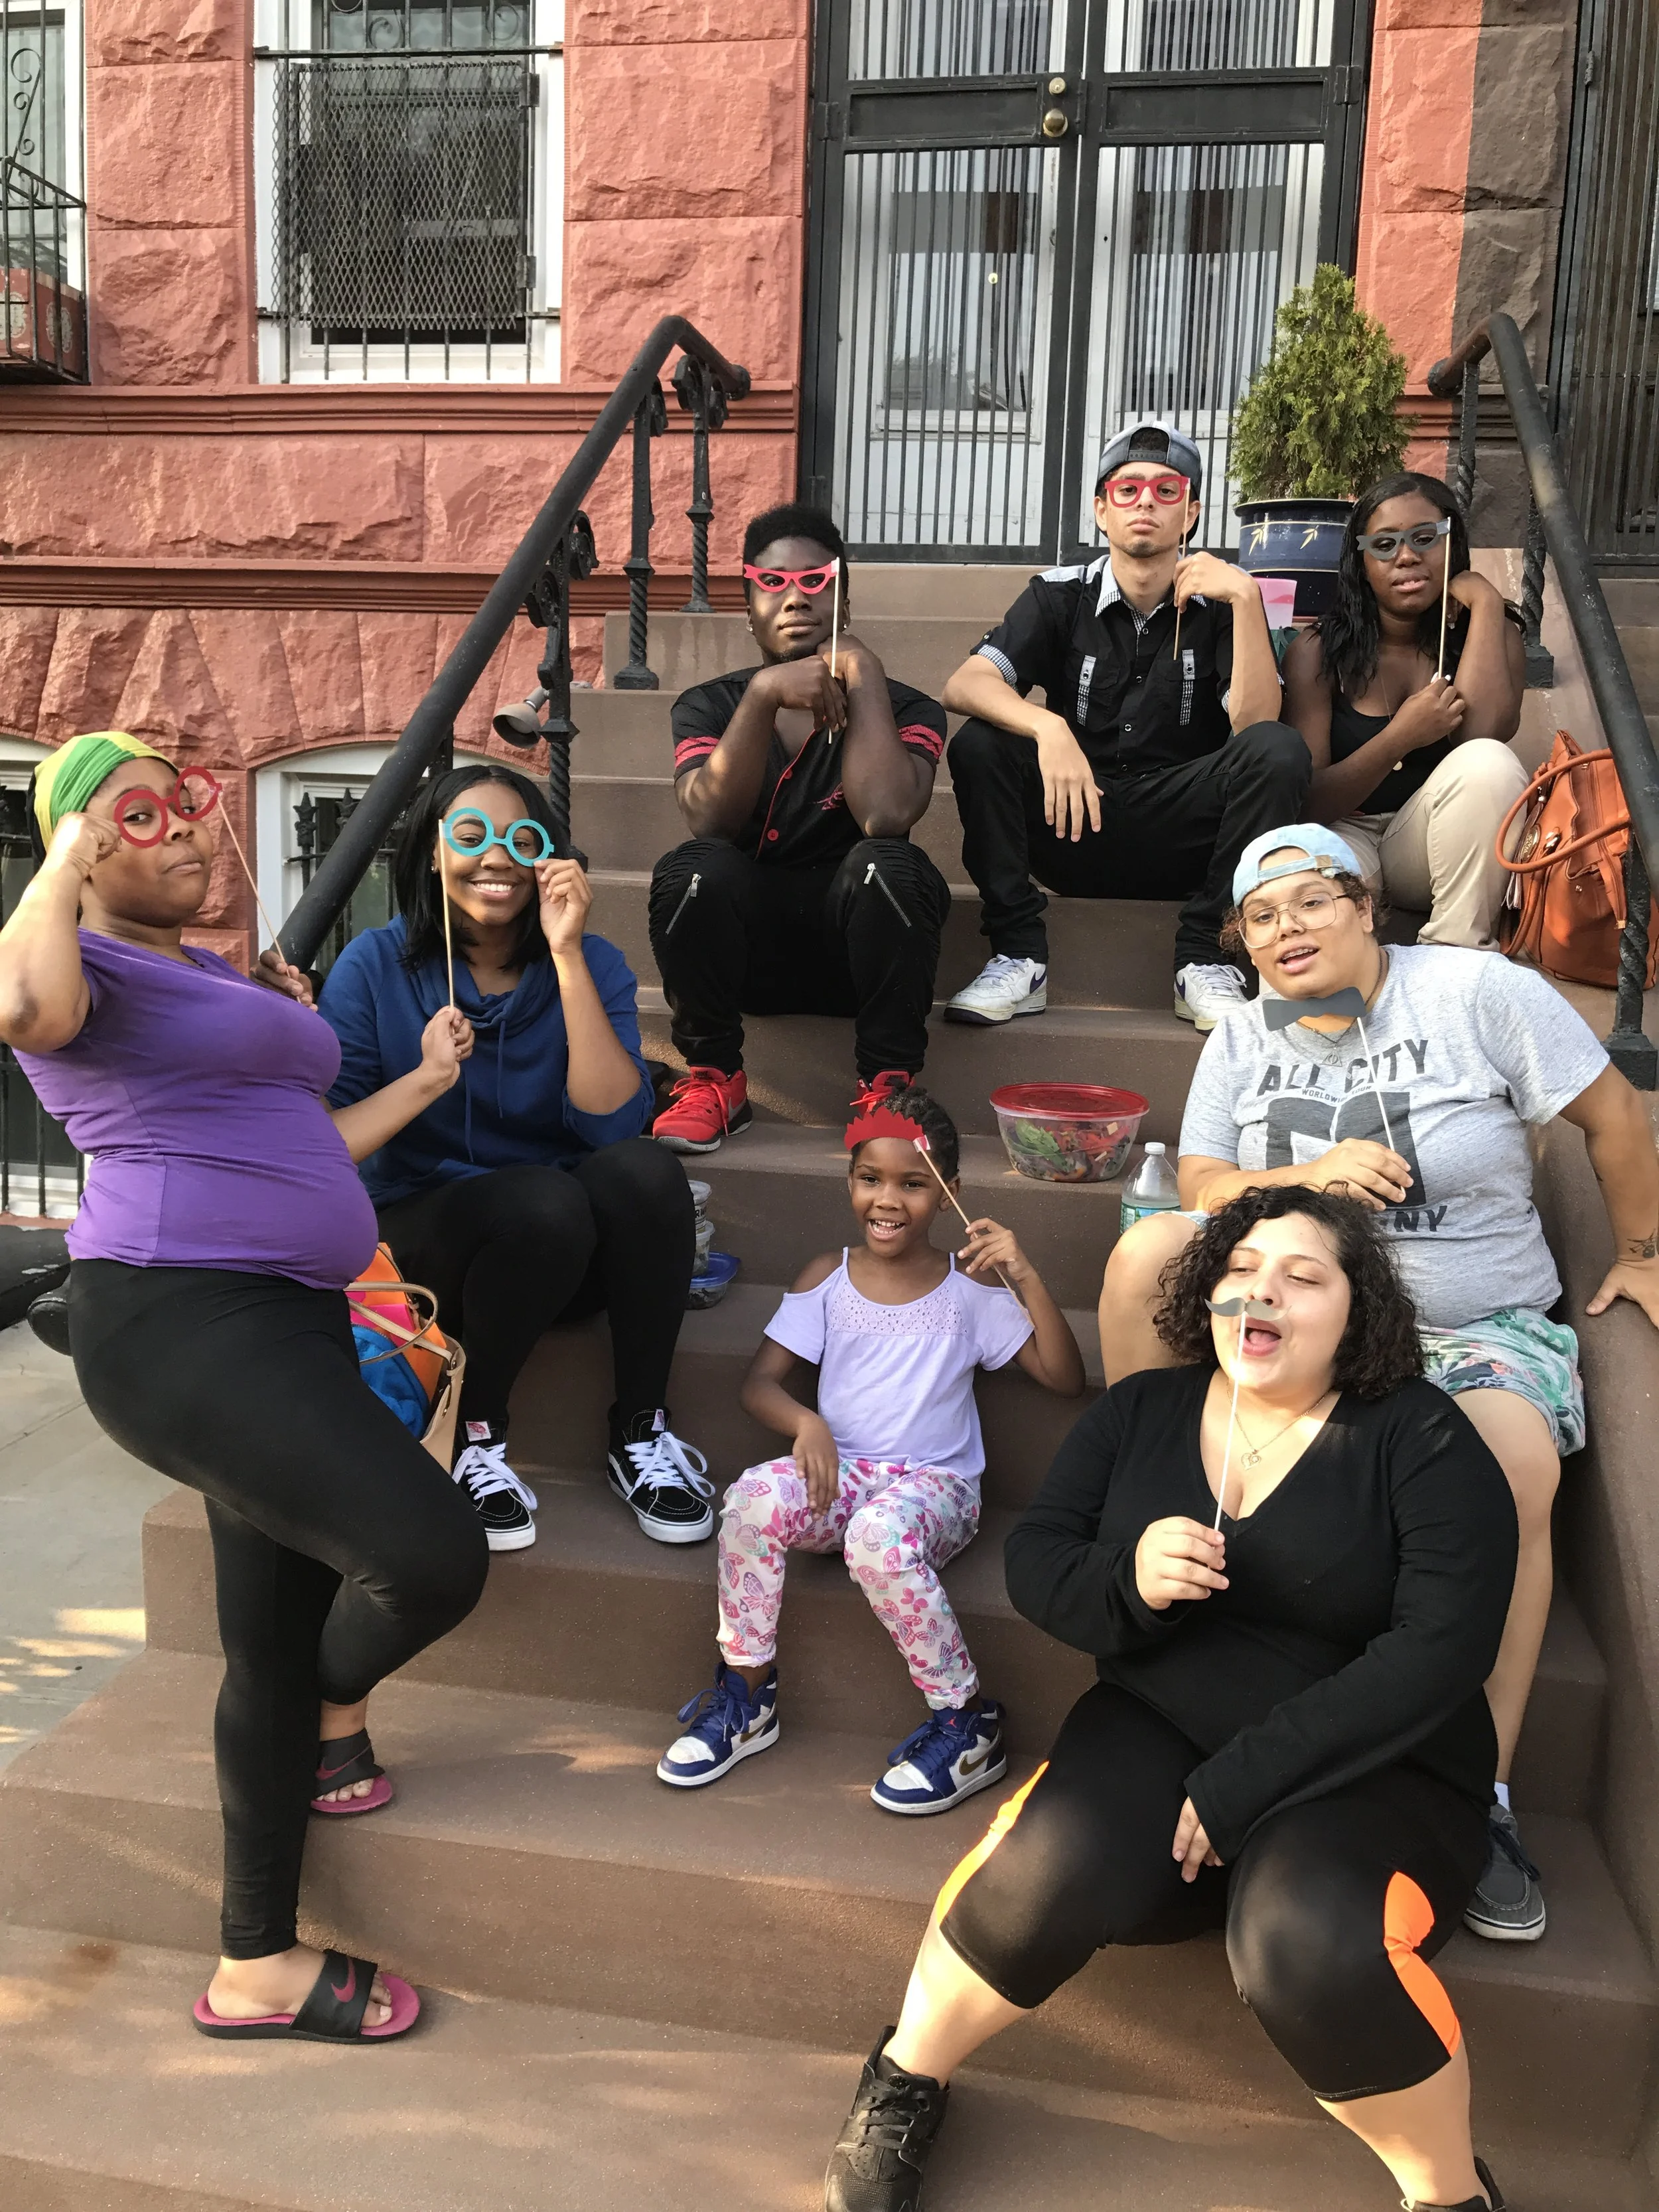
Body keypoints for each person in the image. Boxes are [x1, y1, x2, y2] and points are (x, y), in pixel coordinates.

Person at [824, 1189, 1519, 2212]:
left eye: (1302, 1274)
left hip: (1381, 1769)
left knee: (1304, 1944)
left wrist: (1246, 1781)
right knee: (1044, 1867)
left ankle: (1451, 2195)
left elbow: (1443, 1649)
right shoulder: (1141, 1412)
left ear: (1357, 1310)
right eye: (1239, 1269)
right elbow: (1037, 1560)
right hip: (1159, 1731)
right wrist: (1128, 1581)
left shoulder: (1422, 1440)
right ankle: (904, 2077)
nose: (1260, 1289)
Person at [1, 731, 490, 2043]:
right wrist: (62, 847)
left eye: (190, 806)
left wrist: (423, 1080)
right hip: (176, 1321)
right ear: (88, 851)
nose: (186, 832)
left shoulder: (187, 968)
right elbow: (27, 1014)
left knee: (266, 1642)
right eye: (141, 818)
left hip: (288, 1315)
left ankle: (254, 1961)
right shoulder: (79, 960)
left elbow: (304, 1142)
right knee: (432, 1554)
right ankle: (339, 1708)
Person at [1097, 825, 1659, 1943]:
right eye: (1261, 916)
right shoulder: (1244, 1034)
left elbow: (1610, 1115)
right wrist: (1303, 1176)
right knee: (1146, 1250)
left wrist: (1640, 1247)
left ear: (1366, 907)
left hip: (1470, 1323)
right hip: (1302, 1326)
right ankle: (1161, 1537)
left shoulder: (1477, 992)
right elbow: (1204, 1177)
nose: (1287, 930)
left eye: (1311, 902)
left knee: (1511, 1462)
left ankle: (1479, 1790)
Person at [309, 763, 707, 1552]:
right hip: (429, 1249)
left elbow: (611, 1129)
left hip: (551, 1254)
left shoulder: (593, 966)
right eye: (469, 835)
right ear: (430, 852)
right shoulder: (374, 965)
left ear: (547, 861)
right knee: (538, 1200)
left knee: (648, 1174)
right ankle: (474, 1437)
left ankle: (640, 1432)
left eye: (519, 839)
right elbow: (329, 1143)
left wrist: (564, 955)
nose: (495, 856)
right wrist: (426, 1080)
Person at [658, 1086, 1084, 1812]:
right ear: (850, 1180)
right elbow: (760, 1383)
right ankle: (747, 1693)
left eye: (913, 1184)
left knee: (876, 1538)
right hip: (841, 1473)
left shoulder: (970, 1292)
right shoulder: (827, 1277)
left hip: (935, 1487)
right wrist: (805, 1424)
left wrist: (1024, 1276)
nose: (887, 1200)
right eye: (870, 1179)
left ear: (947, 1191)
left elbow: (1064, 1378)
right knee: (752, 1500)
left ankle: (966, 1718)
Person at [938, 420, 1305, 1033]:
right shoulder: (1058, 597)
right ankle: (1019, 953)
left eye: (1166, 492)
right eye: (1128, 490)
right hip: (1073, 823)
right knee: (981, 743)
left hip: (1183, 837)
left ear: (1190, 512)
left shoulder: (1224, 604)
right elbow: (964, 685)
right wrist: (1048, 729)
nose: (1145, 505)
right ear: (1101, 510)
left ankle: (1207, 960)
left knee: (1278, 751)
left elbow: (1256, 722)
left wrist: (1246, 600)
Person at [648, 504, 950, 1153]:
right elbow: (708, 818)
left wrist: (863, 675)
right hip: (749, 960)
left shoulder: (909, 708)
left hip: (860, 959)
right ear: (748, 600)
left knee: (889, 864)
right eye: (774, 582)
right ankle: (715, 1080)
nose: (795, 598)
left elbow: (887, 817)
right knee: (690, 869)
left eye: (815, 582)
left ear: (842, 599)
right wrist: (762, 696)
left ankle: (888, 1088)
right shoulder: (708, 705)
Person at [1283, 473, 1528, 948]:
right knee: (1302, 880)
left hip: (1429, 843)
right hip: (1344, 832)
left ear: (1451, 544)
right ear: (1362, 560)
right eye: (1385, 544)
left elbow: (1484, 734)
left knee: (1490, 764)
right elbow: (1308, 800)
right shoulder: (1317, 650)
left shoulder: (1494, 635)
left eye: (1424, 538)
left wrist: (1486, 603)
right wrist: (1401, 735)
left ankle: (1456, 956)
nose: (1407, 556)